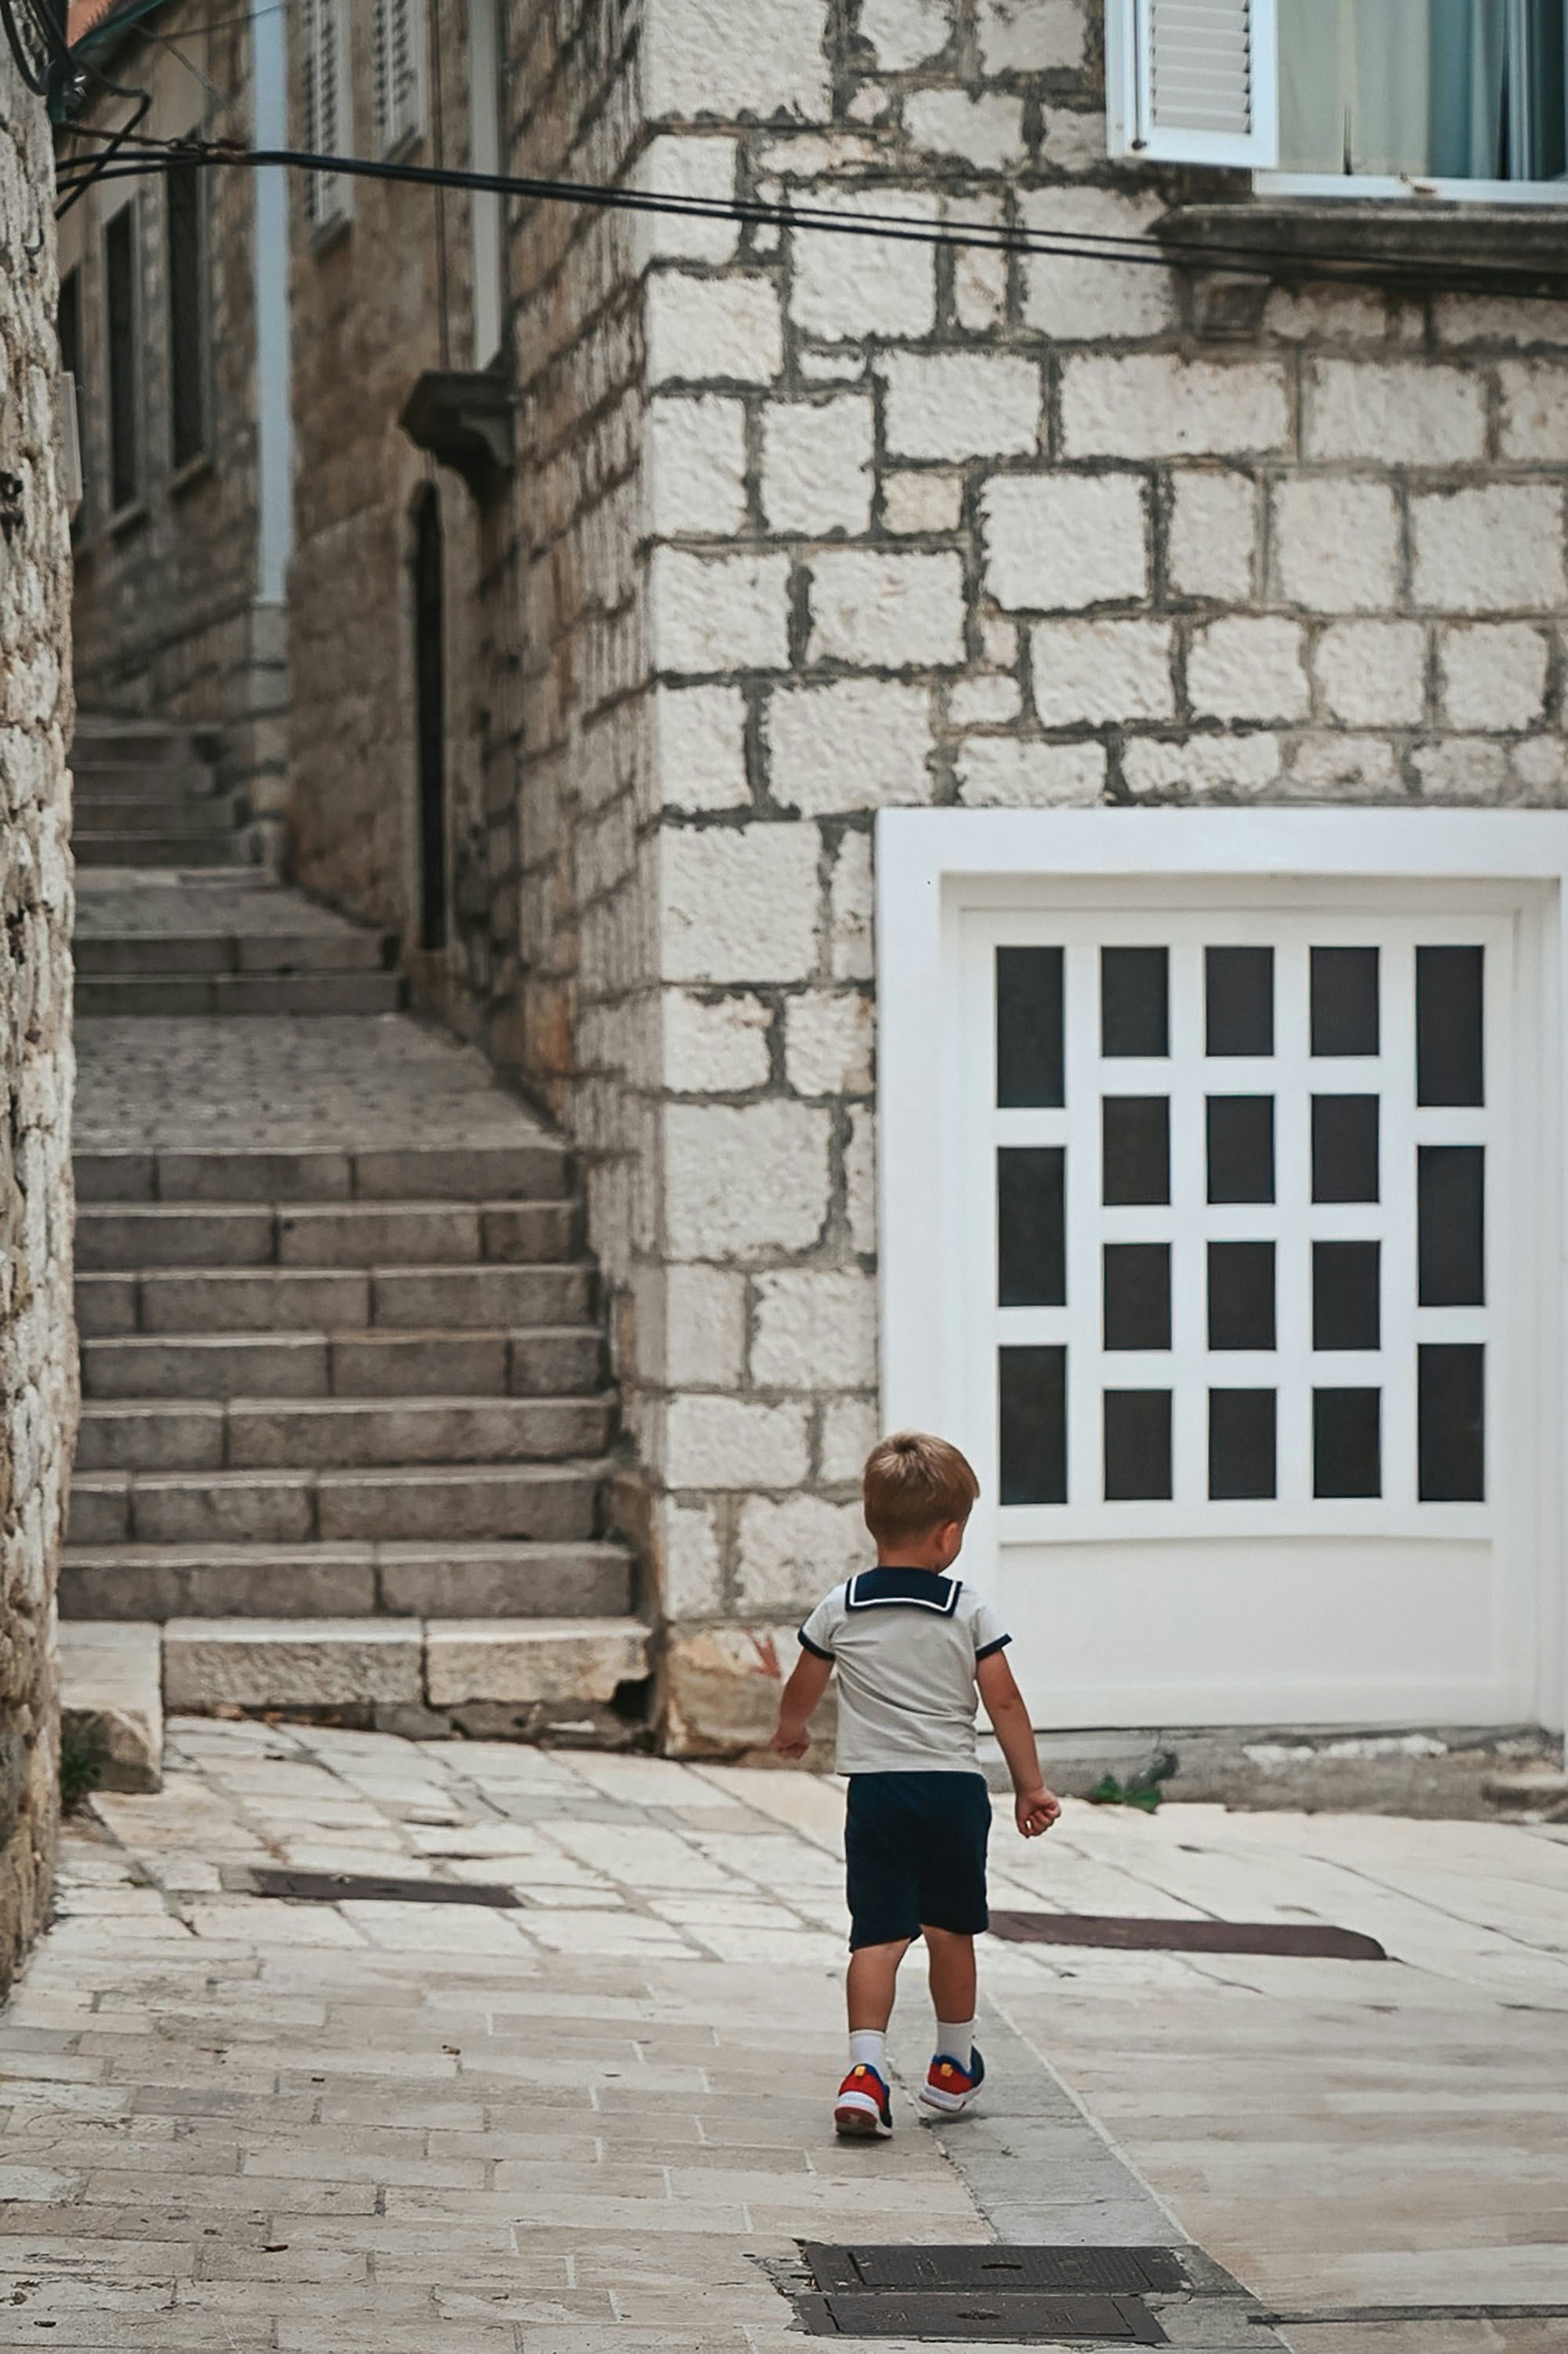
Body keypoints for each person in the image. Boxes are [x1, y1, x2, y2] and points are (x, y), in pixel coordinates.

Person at [769, 1429, 1061, 2139]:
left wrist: (792, 1729)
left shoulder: (841, 1606)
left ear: (874, 1521)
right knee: (950, 1930)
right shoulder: (967, 1609)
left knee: (876, 1936)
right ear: (949, 1532)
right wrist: (1030, 1786)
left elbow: (806, 1681)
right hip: (951, 1794)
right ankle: (952, 2066)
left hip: (876, 1793)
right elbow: (1006, 1703)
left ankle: (865, 2074)